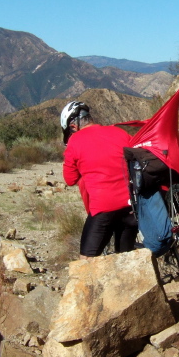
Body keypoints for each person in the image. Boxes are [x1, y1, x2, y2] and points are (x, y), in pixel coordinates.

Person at [61, 101, 137, 258]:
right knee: (124, 258)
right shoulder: (119, 132)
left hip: (104, 208)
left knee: (86, 261)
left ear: (73, 126)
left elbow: (70, 179)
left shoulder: (74, 141)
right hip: (132, 206)